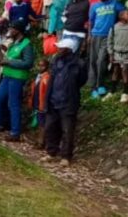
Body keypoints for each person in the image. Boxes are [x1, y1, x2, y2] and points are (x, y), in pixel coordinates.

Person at [42, 38, 87, 166]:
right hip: (53, 99)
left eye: (61, 48)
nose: (58, 49)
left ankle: (66, 156)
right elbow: (52, 79)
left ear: (69, 50)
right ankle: (51, 152)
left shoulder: (79, 64)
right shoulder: (56, 61)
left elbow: (81, 81)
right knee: (50, 127)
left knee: (67, 130)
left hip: (68, 101)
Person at [0, 20, 34, 142]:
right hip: (7, 75)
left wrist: (8, 62)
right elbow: (9, 57)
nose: (10, 31)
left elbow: (28, 63)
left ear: (18, 31)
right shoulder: (14, 43)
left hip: (17, 77)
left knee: (13, 104)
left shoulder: (26, 45)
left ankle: (15, 132)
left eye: (12, 29)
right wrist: (0, 56)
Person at [88, 0, 124, 98]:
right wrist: (89, 35)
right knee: (93, 61)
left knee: (101, 61)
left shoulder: (114, 4)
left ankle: (100, 85)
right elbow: (91, 22)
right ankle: (93, 87)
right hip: (95, 35)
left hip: (108, 36)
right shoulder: (94, 6)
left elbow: (125, 14)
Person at [108, 9, 128, 103]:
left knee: (125, 71)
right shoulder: (114, 27)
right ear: (121, 16)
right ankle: (112, 91)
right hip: (116, 53)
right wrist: (111, 54)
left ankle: (125, 93)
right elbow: (110, 41)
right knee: (115, 71)